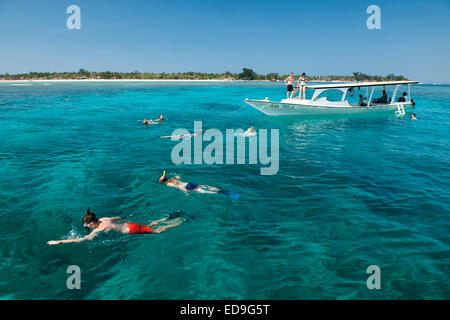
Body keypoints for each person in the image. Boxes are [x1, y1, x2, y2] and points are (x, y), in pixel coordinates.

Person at [46, 209, 182, 245]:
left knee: (156, 231)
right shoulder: (104, 219)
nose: (87, 227)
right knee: (149, 225)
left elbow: (81, 240)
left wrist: (59, 241)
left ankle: (178, 222)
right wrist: (124, 221)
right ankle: (165, 218)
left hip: (131, 230)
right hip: (129, 225)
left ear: (92, 223)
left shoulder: (101, 229)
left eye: (86, 225)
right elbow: (118, 217)